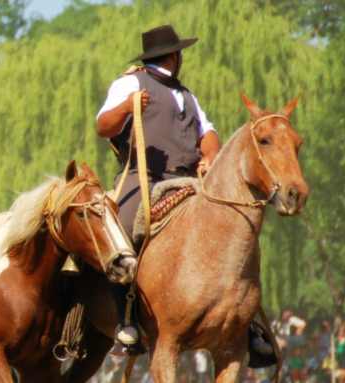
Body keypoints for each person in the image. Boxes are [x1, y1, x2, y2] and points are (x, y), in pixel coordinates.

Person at [94, 25, 274, 366]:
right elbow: (103, 125)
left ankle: (247, 323)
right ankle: (126, 319)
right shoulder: (131, 83)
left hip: (190, 181)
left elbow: (208, 133)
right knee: (118, 235)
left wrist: (209, 157)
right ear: (175, 56)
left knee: (237, 236)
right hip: (142, 178)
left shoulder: (187, 95)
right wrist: (128, 108)